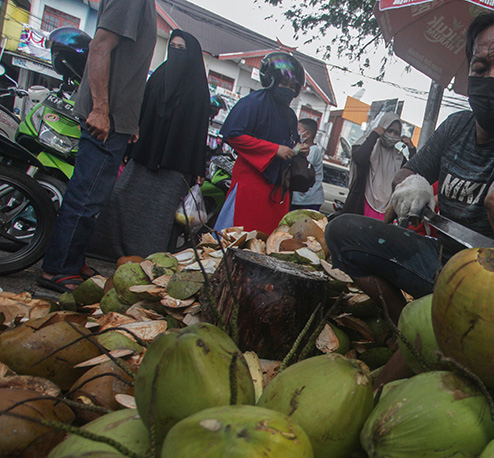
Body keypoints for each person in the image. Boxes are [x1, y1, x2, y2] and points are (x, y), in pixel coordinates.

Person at [326, 11, 494, 324]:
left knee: (405, 365)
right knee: (341, 231)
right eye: (480, 68)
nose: (491, 78)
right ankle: (402, 325)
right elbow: (406, 173)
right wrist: (411, 186)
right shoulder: (455, 127)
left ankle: (423, 336)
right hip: (436, 261)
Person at [37, 0, 157, 292]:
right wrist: (101, 109)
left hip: (117, 119)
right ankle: (58, 269)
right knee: (86, 196)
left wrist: (129, 122)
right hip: (107, 117)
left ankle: (72, 260)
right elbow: (99, 46)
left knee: (93, 197)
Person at [90, 30, 211, 259]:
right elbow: (142, 114)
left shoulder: (198, 90)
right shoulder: (158, 77)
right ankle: (107, 249)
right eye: (172, 48)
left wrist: (197, 169)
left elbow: (198, 133)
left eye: (181, 49)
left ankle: (146, 259)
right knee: (121, 200)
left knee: (158, 215)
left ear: (192, 54)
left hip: (175, 165)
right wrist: (129, 149)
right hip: (144, 156)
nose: (175, 53)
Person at [215, 51, 302, 234]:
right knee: (234, 237)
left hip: (278, 189)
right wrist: (274, 149)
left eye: (292, 86)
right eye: (284, 83)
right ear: (271, 80)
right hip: (250, 183)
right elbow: (233, 134)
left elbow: (292, 142)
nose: (288, 89)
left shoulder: (290, 115)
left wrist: (298, 150)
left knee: (267, 244)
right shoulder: (252, 103)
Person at [341, 112, 413, 218]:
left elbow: (411, 173)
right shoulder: (366, 145)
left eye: (396, 133)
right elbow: (360, 159)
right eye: (389, 130)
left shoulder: (398, 157)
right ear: (382, 128)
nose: (392, 135)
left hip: (386, 208)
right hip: (362, 203)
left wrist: (411, 149)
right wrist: (374, 135)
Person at [290, 117, 324, 211]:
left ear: (307, 134)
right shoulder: (298, 148)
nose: (296, 132)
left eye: (298, 130)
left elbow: (299, 165)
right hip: (299, 199)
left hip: (309, 201)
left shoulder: (313, 150)